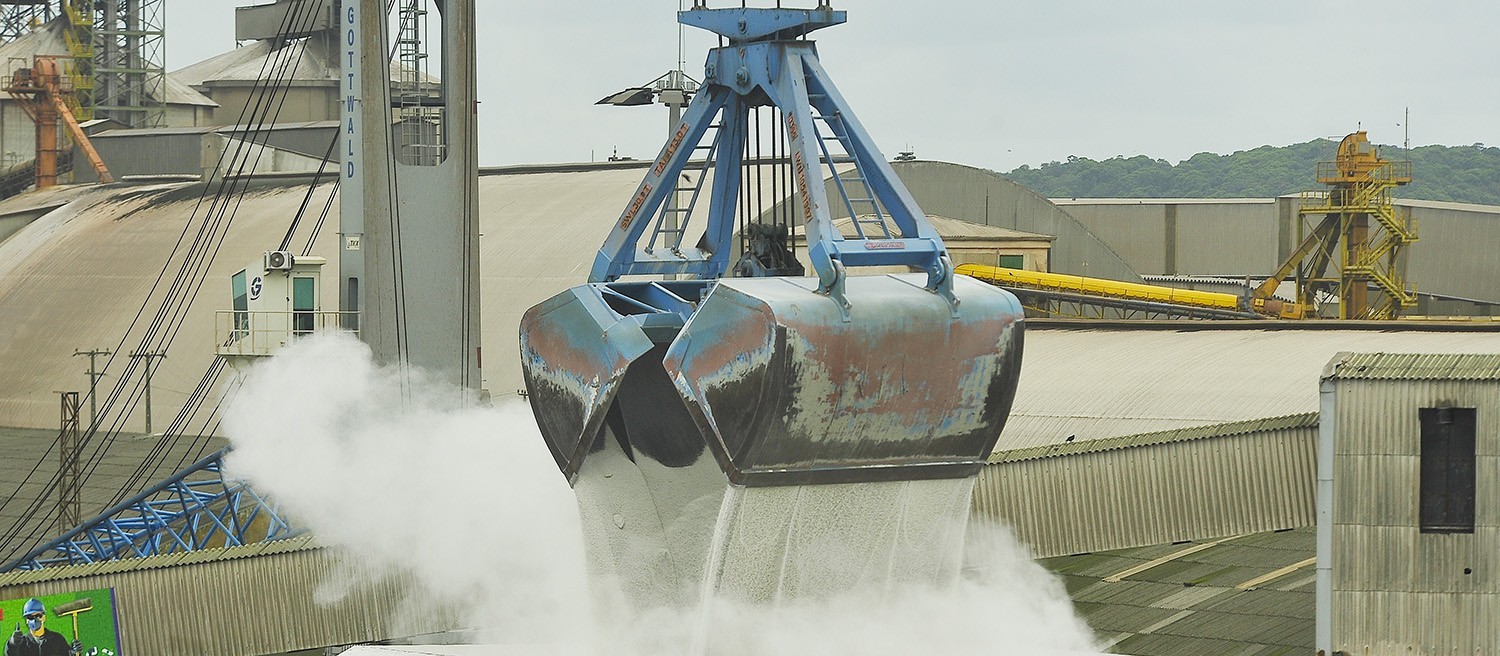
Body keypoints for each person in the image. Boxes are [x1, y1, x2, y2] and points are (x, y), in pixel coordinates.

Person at [4, 599, 79, 656]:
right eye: (30, 617)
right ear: (26, 620)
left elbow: (67, 654)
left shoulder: (57, 639)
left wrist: (74, 652)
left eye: (38, 616)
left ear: (44, 617)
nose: (34, 620)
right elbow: (10, 654)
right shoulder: (21, 643)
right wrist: (12, 644)